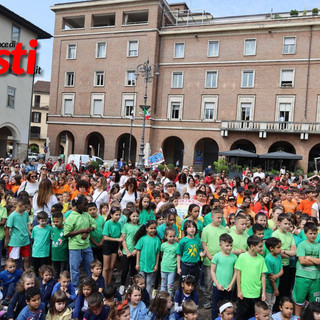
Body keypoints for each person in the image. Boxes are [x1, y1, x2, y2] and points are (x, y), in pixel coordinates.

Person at [64, 195, 96, 288]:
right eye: (84, 205)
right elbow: (66, 233)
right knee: (75, 268)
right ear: (78, 205)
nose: (87, 207)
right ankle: (75, 287)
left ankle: (92, 285)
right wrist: (82, 231)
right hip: (75, 247)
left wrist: (89, 230)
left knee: (90, 267)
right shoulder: (71, 217)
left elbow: (94, 224)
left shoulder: (87, 215)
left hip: (86, 246)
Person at [235, 236, 268, 320]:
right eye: (260, 246)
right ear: (252, 246)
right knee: (241, 315)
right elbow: (238, 274)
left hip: (256, 293)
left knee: (253, 316)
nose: (262, 248)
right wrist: (239, 290)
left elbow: (263, 276)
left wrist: (263, 292)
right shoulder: (242, 257)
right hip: (244, 293)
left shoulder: (261, 259)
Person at [201, 207, 227, 309]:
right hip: (209, 259)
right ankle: (208, 297)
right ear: (212, 217)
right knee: (209, 280)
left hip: (222, 259)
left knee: (220, 278)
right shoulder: (206, 229)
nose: (220, 220)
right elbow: (204, 244)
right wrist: (209, 256)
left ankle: (219, 298)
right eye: (218, 218)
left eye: (221, 218)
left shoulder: (224, 229)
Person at [292, 222, 320, 316]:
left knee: (315, 302)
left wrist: (309, 258)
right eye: (310, 233)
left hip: (316, 277)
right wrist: (315, 260)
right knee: (299, 300)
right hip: (302, 276)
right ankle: (297, 317)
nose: (313, 235)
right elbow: (302, 261)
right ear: (305, 234)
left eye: (315, 233)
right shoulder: (302, 245)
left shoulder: (319, 245)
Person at [211, 234, 237, 320]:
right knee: (215, 307)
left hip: (228, 288)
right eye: (227, 246)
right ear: (220, 245)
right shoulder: (217, 256)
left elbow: (235, 272)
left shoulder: (234, 257)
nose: (229, 248)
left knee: (227, 307)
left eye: (230, 245)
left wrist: (231, 284)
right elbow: (212, 271)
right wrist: (217, 284)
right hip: (217, 287)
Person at [272, 213, 296, 299]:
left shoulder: (290, 235)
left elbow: (294, 252)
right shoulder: (275, 234)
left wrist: (284, 251)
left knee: (285, 289)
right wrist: (288, 253)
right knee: (277, 288)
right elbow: (277, 251)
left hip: (287, 265)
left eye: (289, 224)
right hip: (277, 265)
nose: (287, 226)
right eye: (285, 223)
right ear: (278, 223)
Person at [134, 220, 161, 295]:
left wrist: (156, 265)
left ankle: (146, 296)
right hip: (142, 264)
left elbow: (157, 253)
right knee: (141, 281)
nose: (153, 230)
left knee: (149, 282)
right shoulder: (142, 239)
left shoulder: (157, 240)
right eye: (151, 228)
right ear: (146, 228)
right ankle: (139, 295)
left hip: (151, 265)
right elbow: (138, 251)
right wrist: (137, 263)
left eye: (154, 228)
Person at [5, 195, 31, 270]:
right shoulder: (12, 216)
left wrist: (29, 233)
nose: (26, 209)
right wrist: (7, 241)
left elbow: (27, 224)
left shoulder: (25, 214)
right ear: (20, 205)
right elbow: (7, 228)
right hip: (15, 241)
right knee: (13, 261)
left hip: (25, 240)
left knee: (26, 259)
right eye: (25, 207)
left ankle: (26, 272)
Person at [119, 209, 140, 295]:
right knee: (125, 269)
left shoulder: (140, 226)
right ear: (130, 217)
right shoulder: (126, 226)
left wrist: (135, 250)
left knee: (133, 271)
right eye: (133, 216)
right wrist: (127, 251)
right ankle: (122, 285)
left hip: (135, 252)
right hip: (126, 252)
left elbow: (140, 240)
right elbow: (123, 240)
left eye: (137, 216)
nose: (135, 218)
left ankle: (131, 286)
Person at [177, 220, 204, 285]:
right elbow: (179, 254)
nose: (192, 229)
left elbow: (200, 249)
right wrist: (178, 267)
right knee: (183, 283)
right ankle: (180, 295)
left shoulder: (198, 240)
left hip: (195, 266)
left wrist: (201, 253)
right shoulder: (183, 241)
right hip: (185, 266)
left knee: (194, 283)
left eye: (193, 227)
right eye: (189, 227)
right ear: (185, 229)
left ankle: (193, 295)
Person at [102, 206, 123, 284]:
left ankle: (108, 283)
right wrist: (117, 239)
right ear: (111, 215)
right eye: (116, 215)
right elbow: (105, 237)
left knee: (111, 267)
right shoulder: (107, 223)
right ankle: (103, 284)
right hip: (107, 245)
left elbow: (119, 237)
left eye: (119, 215)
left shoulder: (119, 224)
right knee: (106, 267)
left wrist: (119, 249)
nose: (118, 217)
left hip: (115, 245)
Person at [264, 237, 283, 314]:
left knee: (272, 303)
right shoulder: (268, 259)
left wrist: (276, 276)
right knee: (268, 305)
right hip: (269, 287)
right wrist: (275, 289)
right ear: (271, 248)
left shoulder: (279, 257)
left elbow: (282, 271)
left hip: (276, 284)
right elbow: (270, 277)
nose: (280, 249)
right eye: (278, 247)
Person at [160, 227, 179, 297]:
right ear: (166, 236)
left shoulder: (177, 245)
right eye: (170, 236)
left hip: (172, 269)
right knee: (163, 284)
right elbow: (161, 254)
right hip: (164, 268)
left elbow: (178, 256)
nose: (172, 238)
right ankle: (162, 299)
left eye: (174, 236)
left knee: (170, 285)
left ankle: (169, 299)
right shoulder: (163, 245)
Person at [51, 212, 68, 279]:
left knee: (63, 273)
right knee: (55, 272)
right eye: (54, 222)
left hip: (63, 256)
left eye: (57, 221)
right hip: (54, 256)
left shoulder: (66, 229)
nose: (55, 223)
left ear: (62, 220)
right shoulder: (53, 229)